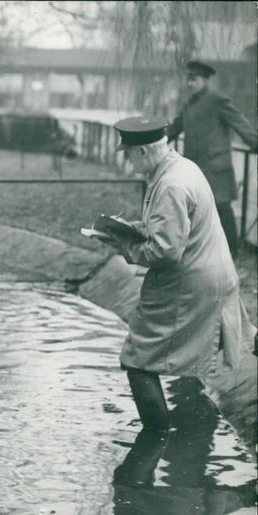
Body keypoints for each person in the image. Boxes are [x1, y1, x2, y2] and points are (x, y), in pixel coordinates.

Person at [102, 116, 255, 435]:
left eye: (128, 153)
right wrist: (138, 229)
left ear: (143, 151)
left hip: (192, 284)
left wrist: (124, 243)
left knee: (136, 360)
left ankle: (155, 438)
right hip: (215, 274)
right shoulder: (183, 167)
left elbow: (165, 252)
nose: (128, 161)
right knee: (237, 337)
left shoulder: (170, 185)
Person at [166, 60, 258, 259]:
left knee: (222, 209)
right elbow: (175, 127)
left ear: (205, 80)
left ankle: (233, 255)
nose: (190, 84)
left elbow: (239, 122)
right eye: (188, 80)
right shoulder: (188, 104)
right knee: (197, 209)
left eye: (194, 79)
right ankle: (204, 254)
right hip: (195, 167)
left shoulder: (217, 99)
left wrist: (255, 142)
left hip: (216, 168)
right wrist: (157, 143)